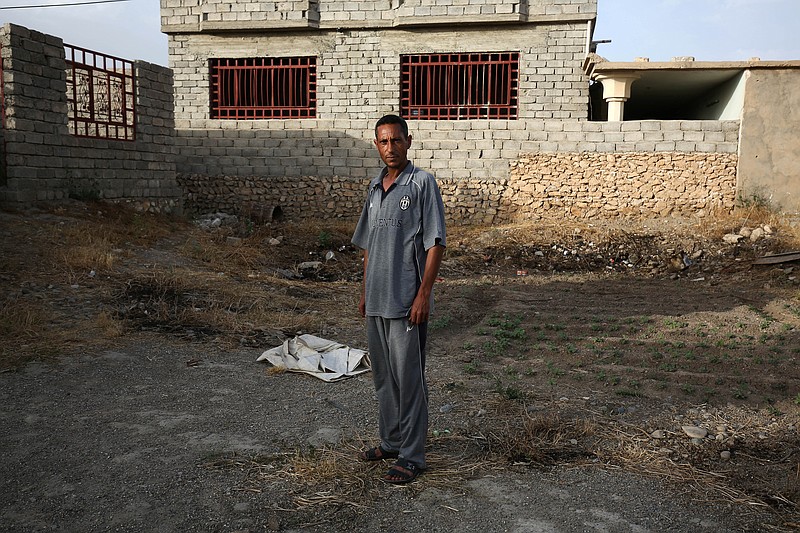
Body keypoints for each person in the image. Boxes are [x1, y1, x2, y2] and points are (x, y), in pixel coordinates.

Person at [351, 114, 446, 484]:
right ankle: (391, 442)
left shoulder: (422, 183)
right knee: (384, 379)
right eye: (383, 142)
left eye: (396, 140)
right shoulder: (375, 188)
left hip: (407, 301)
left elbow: (435, 243)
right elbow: (369, 246)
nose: (390, 148)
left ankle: (412, 455)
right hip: (376, 300)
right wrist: (364, 291)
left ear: (408, 140)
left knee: (409, 380)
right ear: (376, 145)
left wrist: (424, 293)